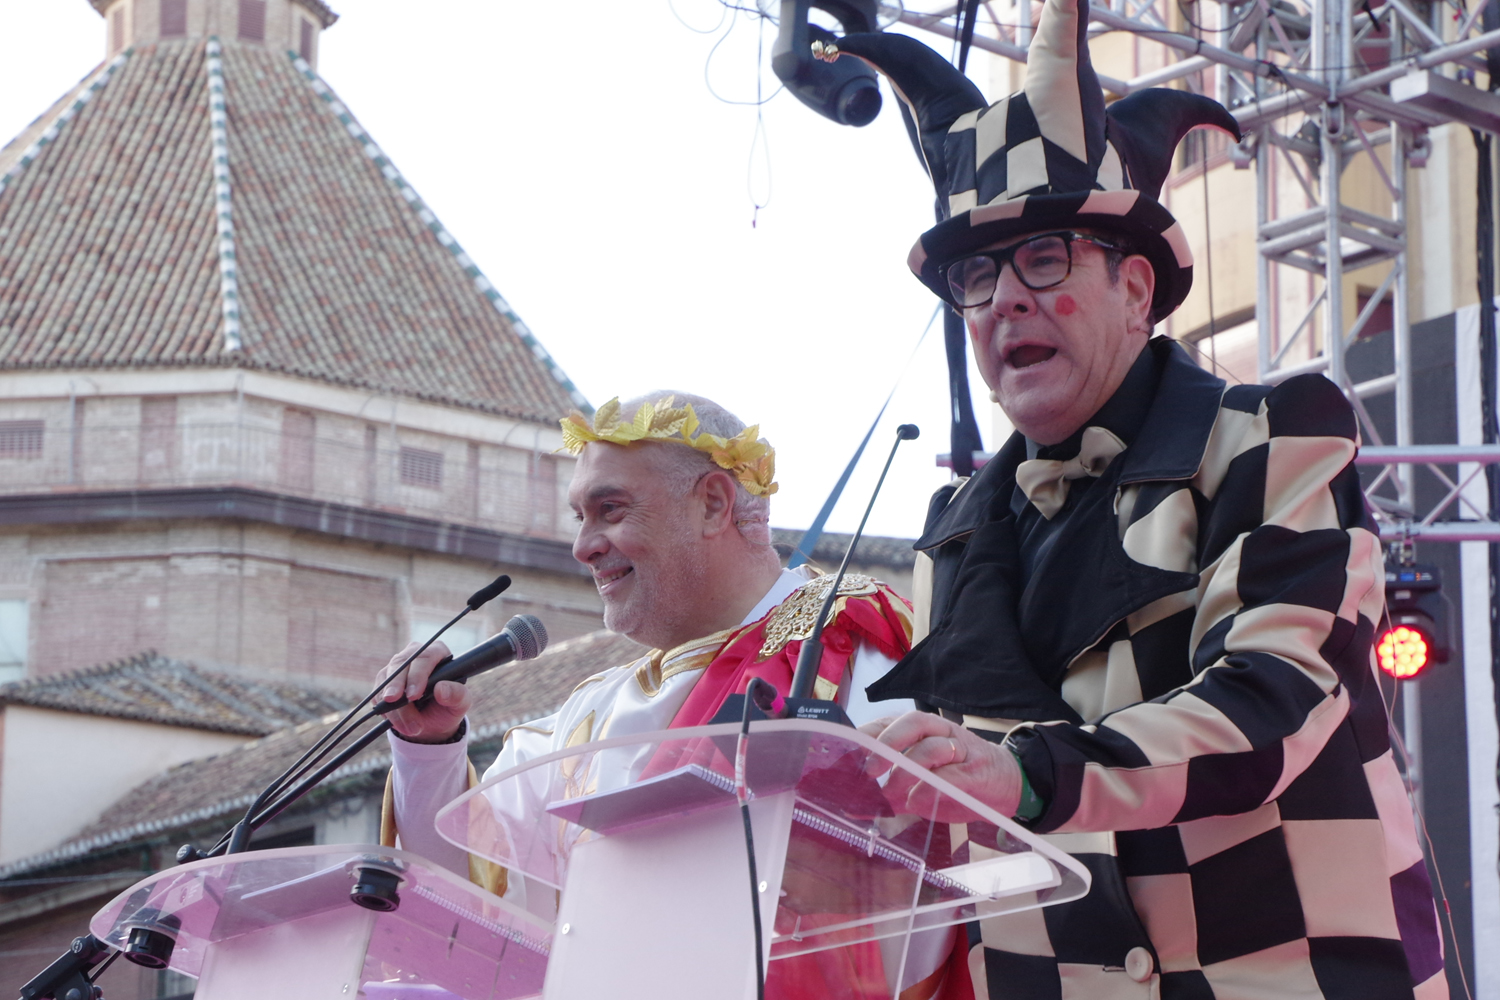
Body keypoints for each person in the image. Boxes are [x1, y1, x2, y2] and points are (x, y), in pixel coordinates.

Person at [827, 3, 1450, 999]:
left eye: (1044, 258)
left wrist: (1027, 775)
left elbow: (1271, 706)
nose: (1004, 300)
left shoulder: (1273, 432)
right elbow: (969, 843)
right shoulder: (954, 532)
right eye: (976, 276)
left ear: (1137, 289)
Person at [375, 392, 936, 992]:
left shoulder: (850, 641)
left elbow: (915, 884)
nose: (583, 545)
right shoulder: (588, 713)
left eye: (610, 509)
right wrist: (428, 747)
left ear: (713, 504)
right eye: (579, 517)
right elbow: (465, 901)